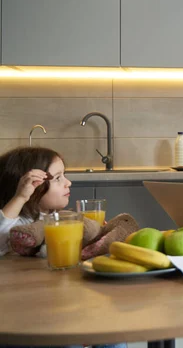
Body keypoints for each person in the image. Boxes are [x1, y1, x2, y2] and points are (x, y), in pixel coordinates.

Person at [0, 146, 127, 348]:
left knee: (113, 334)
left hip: (63, 304)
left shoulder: (59, 220)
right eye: (58, 178)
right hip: (28, 317)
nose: (68, 182)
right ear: (31, 186)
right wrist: (21, 197)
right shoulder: (17, 223)